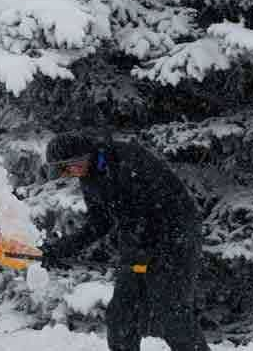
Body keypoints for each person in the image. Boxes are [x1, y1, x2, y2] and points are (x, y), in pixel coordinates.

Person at [41, 131, 209, 351]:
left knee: (171, 314)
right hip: (140, 244)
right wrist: (60, 249)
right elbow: (99, 224)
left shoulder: (127, 161)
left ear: (84, 156)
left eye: (67, 166)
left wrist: (146, 251)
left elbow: (151, 210)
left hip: (177, 239)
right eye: (61, 170)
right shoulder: (90, 177)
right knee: (121, 316)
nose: (67, 174)